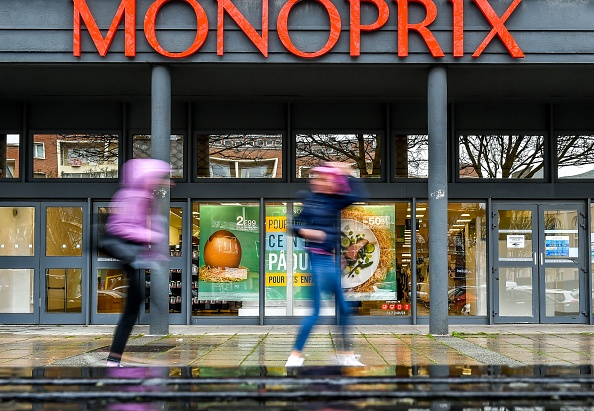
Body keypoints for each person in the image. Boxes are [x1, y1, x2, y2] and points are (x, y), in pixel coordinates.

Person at [286, 162, 367, 367]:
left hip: (329, 262)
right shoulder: (309, 199)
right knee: (315, 312)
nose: (329, 184)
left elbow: (358, 195)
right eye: (325, 179)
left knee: (344, 309)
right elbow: (293, 224)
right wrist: (307, 233)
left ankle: (344, 353)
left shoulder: (333, 201)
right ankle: (295, 356)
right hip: (317, 260)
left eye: (331, 181)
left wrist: (347, 173)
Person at [101, 158, 171, 367]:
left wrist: (151, 251)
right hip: (124, 251)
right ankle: (113, 359)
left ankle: (114, 358)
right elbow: (121, 227)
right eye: (158, 178)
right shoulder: (133, 196)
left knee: (135, 303)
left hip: (129, 254)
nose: (161, 182)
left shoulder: (141, 195)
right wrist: (149, 235)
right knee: (134, 305)